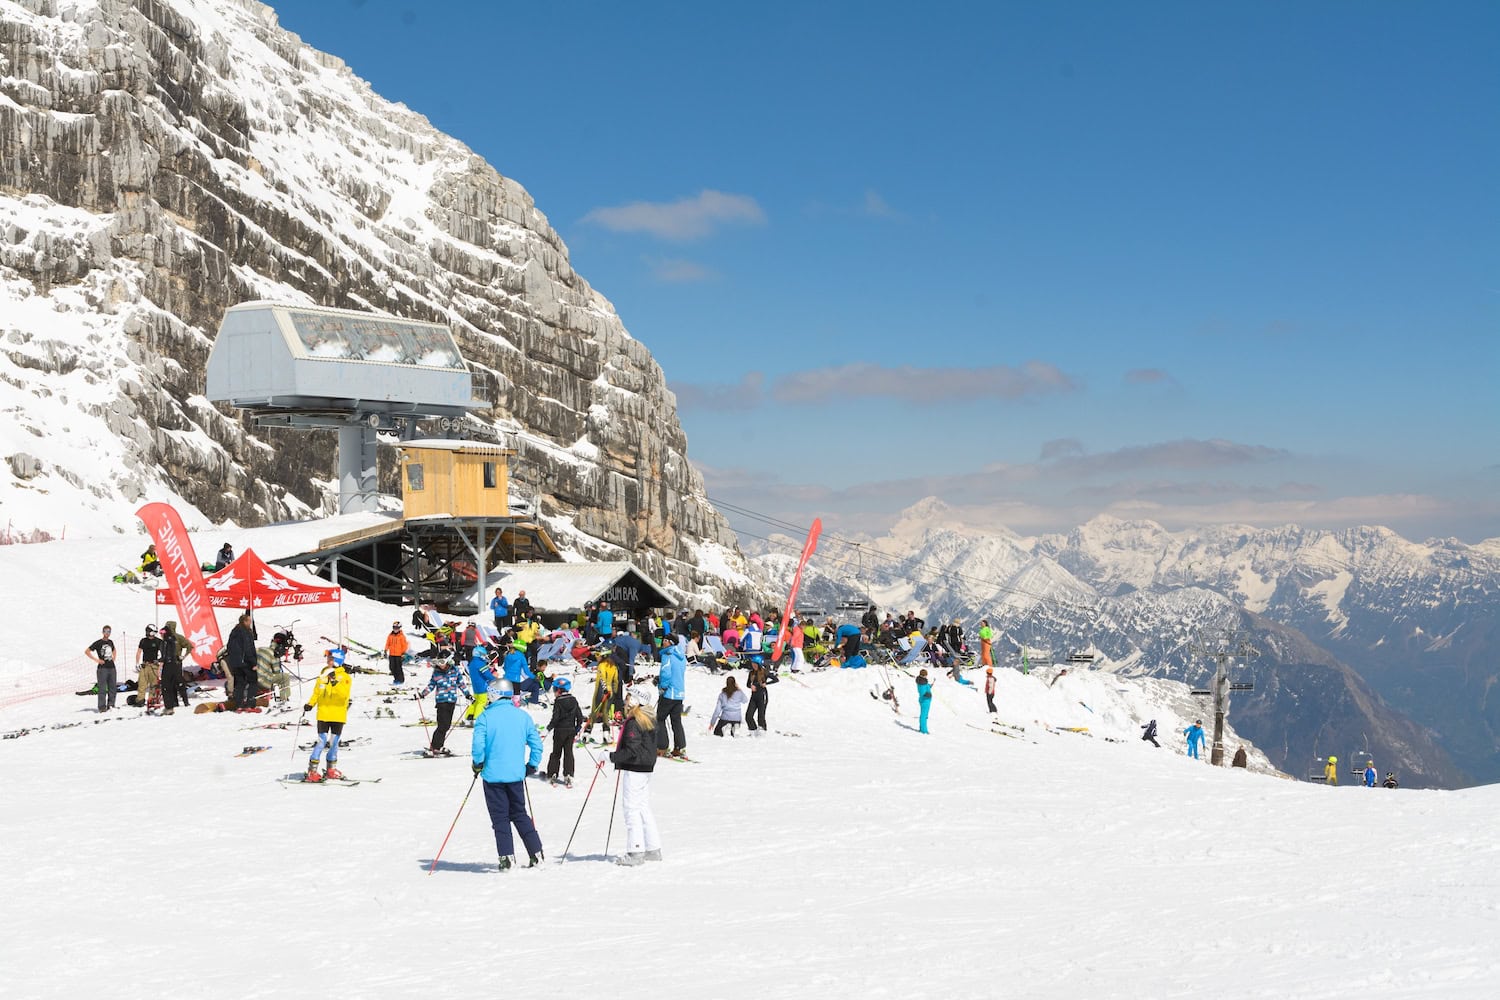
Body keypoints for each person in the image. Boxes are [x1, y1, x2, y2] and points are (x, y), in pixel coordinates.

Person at [471, 679, 545, 872]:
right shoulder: (523, 716)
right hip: (515, 775)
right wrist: (532, 765)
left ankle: (507, 858)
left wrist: (477, 763)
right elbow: (537, 744)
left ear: (494, 694)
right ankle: (536, 853)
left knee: (500, 818)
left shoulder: (485, 717)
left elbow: (478, 746)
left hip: (493, 776)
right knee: (520, 814)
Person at [610, 689, 662, 866]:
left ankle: (636, 851)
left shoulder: (634, 722)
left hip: (635, 770)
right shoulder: (649, 719)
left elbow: (631, 750)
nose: (625, 702)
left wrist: (610, 757)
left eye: (628, 698)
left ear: (635, 702)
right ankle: (653, 848)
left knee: (631, 809)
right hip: (646, 768)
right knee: (643, 807)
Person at [303, 659, 353, 782]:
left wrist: (335, 683)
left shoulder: (345, 677)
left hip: (338, 715)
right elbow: (316, 693)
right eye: (328, 660)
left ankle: (331, 769)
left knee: (333, 743)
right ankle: (312, 771)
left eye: (332, 660)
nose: (329, 662)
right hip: (323, 715)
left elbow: (344, 695)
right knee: (321, 741)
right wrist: (310, 704)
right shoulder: (322, 676)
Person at [416, 655, 471, 756]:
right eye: (438, 662)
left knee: (447, 725)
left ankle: (438, 746)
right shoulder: (437, 672)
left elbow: (461, 684)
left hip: (452, 700)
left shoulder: (455, 671)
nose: (440, 665)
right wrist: (422, 694)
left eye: (442, 662)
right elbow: (431, 685)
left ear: (448, 661)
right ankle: (435, 747)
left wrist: (467, 695)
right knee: (442, 725)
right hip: (441, 701)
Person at [544, 677, 583, 785]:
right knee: (568, 752)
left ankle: (552, 773)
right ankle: (569, 774)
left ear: (559, 690)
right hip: (571, 730)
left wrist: (549, 727)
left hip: (560, 731)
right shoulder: (573, 700)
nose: (554, 692)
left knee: (556, 752)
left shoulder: (558, 701)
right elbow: (579, 716)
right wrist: (578, 727)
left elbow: (556, 717)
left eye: (555, 690)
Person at [655, 639, 687, 757]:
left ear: (670, 642)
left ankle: (662, 747)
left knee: (660, 719)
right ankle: (680, 746)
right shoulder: (681, 656)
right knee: (676, 721)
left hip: (669, 693)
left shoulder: (667, 655)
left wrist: (662, 686)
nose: (663, 642)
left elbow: (666, 673)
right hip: (679, 693)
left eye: (665, 640)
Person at [158, 620, 192, 714]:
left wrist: (183, 656)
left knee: (178, 683)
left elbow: (189, 646)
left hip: (176, 663)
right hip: (173, 663)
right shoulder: (166, 639)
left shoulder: (177, 638)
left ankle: (184, 702)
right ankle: (175, 702)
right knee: (174, 683)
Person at [226, 613, 259, 711]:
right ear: (244, 621)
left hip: (235, 663)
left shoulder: (233, 632)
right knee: (253, 681)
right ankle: (250, 704)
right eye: (249, 621)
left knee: (240, 683)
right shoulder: (245, 632)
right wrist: (253, 662)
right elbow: (248, 649)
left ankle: (239, 704)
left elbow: (229, 647)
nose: (250, 623)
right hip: (246, 662)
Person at [85, 625, 118, 712]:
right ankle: (102, 707)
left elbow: (114, 650)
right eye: (106, 631)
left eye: (109, 631)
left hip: (112, 667)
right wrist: (97, 660)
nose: (107, 633)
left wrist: (114, 657)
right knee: (102, 688)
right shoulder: (98, 643)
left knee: (112, 687)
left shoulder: (111, 642)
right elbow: (87, 651)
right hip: (102, 669)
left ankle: (111, 704)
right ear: (103, 632)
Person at [462, 644, 497, 724]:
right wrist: (494, 679)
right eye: (483, 655)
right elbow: (486, 674)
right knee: (482, 702)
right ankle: (477, 718)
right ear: (479, 654)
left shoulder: (472, 663)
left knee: (476, 701)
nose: (485, 656)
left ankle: (469, 716)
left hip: (475, 685)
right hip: (482, 685)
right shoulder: (480, 663)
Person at [135, 625, 163, 711]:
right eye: (152, 632)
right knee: (142, 683)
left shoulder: (158, 641)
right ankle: (140, 700)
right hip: (144, 665)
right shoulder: (143, 641)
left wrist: (159, 665)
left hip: (154, 665)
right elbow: (139, 652)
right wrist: (137, 663)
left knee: (153, 684)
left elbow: (163, 654)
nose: (153, 634)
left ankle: (152, 700)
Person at [382, 621, 408, 685]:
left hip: (399, 655)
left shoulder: (401, 636)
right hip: (392, 654)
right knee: (392, 667)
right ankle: (396, 679)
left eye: (397, 628)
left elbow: (404, 645)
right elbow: (388, 643)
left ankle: (401, 680)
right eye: (394, 627)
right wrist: (385, 650)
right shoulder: (390, 635)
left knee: (398, 668)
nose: (395, 629)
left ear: (399, 628)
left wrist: (403, 653)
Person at [745, 663, 770, 733]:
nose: (754, 666)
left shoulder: (764, 672)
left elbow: (776, 679)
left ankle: (763, 732)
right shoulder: (751, 673)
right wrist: (751, 686)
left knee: (761, 717)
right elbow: (748, 684)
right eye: (752, 665)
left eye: (755, 665)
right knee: (748, 716)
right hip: (754, 696)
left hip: (762, 696)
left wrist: (766, 683)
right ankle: (754, 731)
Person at [916, 668, 933, 734]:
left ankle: (922, 728)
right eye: (926, 675)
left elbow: (926, 686)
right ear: (924, 675)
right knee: (923, 715)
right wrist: (928, 695)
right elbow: (922, 692)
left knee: (925, 715)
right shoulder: (922, 682)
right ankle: (923, 730)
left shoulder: (923, 681)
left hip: (926, 701)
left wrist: (929, 686)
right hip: (925, 701)